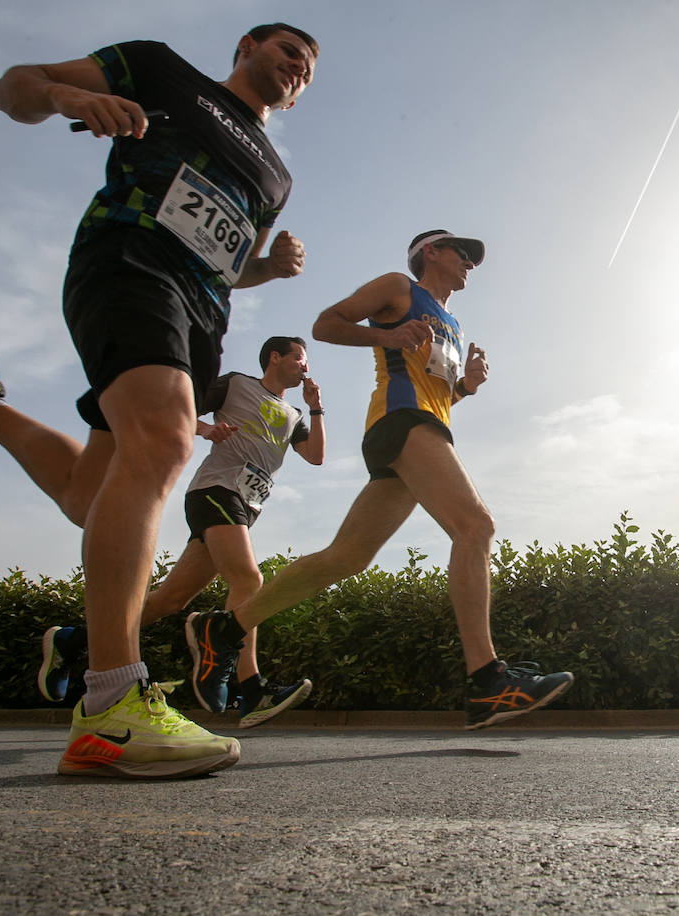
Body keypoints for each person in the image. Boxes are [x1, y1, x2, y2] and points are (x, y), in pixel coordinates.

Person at [0, 24, 318, 778]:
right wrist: (63, 95)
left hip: (201, 316)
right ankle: (111, 705)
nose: (296, 69)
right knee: (168, 442)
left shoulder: (276, 173)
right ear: (247, 46)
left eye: (307, 69)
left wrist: (266, 270)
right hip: (129, 258)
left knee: (93, 495)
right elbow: (13, 84)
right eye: (287, 52)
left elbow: (230, 262)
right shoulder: (160, 70)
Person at [186, 230, 573, 729]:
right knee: (475, 526)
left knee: (344, 559)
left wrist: (468, 388)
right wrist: (385, 335)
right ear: (430, 253)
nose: (471, 263)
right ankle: (487, 682)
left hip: (426, 427)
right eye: (463, 253)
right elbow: (325, 324)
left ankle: (225, 629)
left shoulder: (452, 322)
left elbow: (439, 394)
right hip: (401, 423)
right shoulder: (398, 287)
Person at [38, 335, 324, 729]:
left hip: (246, 507)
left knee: (169, 600)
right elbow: (180, 412)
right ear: (275, 358)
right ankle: (251, 688)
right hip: (215, 491)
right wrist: (208, 431)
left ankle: (70, 640)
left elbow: (316, 457)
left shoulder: (293, 414)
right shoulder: (236, 384)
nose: (304, 366)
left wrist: (315, 408)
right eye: (299, 358)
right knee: (247, 579)